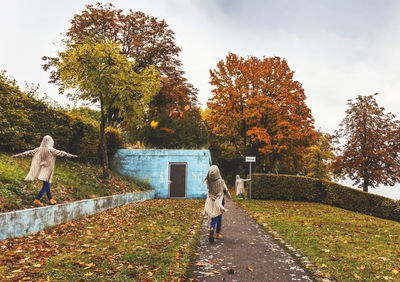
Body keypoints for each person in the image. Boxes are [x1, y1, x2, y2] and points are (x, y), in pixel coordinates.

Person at [12, 135, 77, 206]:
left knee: (46, 184)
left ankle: (50, 199)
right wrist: (71, 155)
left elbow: (28, 152)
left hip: (41, 168)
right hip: (48, 169)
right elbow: (61, 153)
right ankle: (37, 199)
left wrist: (17, 156)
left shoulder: (39, 149)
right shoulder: (51, 149)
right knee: (46, 184)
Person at [203, 165, 232, 244]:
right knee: (219, 216)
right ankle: (218, 233)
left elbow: (209, 190)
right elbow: (225, 190)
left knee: (213, 216)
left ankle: (212, 228)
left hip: (212, 200)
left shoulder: (208, 181)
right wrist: (229, 196)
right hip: (220, 200)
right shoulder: (221, 181)